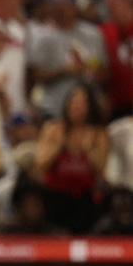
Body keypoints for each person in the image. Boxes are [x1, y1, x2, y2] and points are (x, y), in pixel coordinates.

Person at [35, 85, 108, 234]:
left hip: (84, 198)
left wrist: (88, 149)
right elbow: (40, 163)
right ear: (67, 105)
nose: (77, 107)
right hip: (56, 196)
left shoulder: (98, 133)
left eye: (82, 103)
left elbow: (101, 168)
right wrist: (58, 144)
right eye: (74, 102)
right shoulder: (53, 128)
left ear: (89, 107)